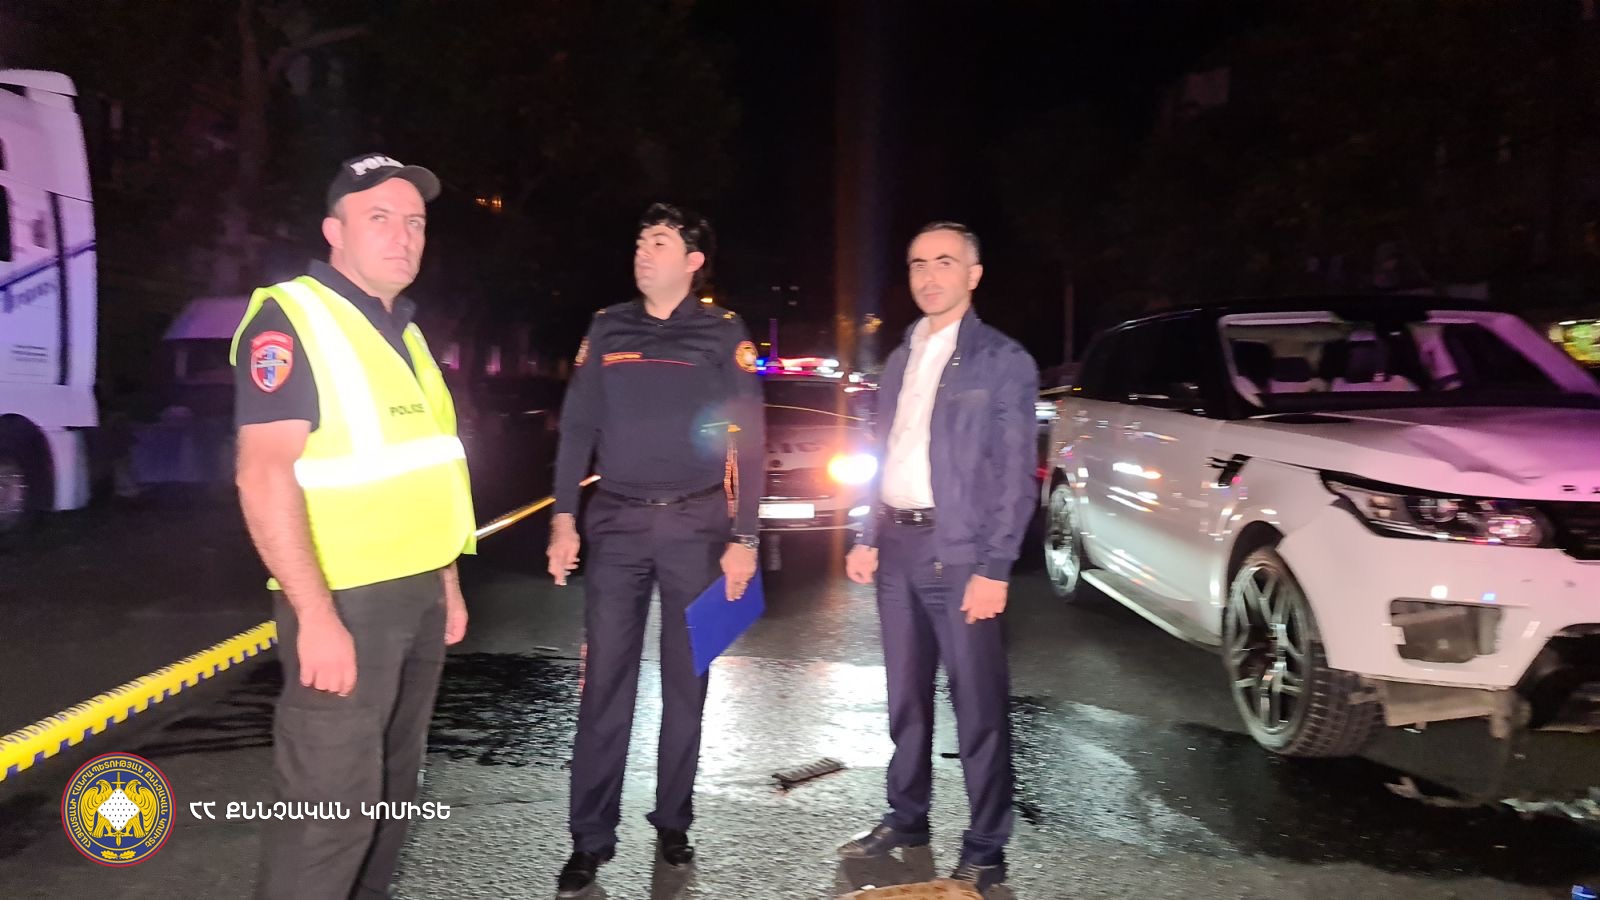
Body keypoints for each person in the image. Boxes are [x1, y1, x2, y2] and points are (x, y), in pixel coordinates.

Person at [231, 154, 476, 900]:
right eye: (380, 218)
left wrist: (446, 579)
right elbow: (263, 472)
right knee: (327, 818)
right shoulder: (293, 318)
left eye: (415, 222)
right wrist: (315, 616)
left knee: (392, 796)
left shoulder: (404, 332)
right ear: (333, 231)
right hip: (345, 600)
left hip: (416, 594)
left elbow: (422, 470)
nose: (403, 236)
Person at [546, 203, 764, 897]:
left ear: (693, 261)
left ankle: (673, 820)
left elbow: (749, 439)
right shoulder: (608, 326)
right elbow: (577, 427)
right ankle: (589, 838)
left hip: (698, 526)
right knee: (604, 683)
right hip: (616, 524)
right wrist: (563, 519)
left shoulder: (722, 333)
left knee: (686, 684)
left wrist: (745, 538)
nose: (643, 251)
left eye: (660, 242)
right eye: (640, 240)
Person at [838, 221, 1038, 893]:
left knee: (978, 707)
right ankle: (908, 817)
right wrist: (867, 533)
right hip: (896, 544)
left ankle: (987, 846)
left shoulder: (1002, 360)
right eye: (918, 263)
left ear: (973, 275)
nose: (929, 274)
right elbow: (884, 450)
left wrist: (995, 567)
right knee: (906, 699)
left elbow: (1015, 475)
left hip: (960, 553)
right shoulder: (901, 357)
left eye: (945, 262)